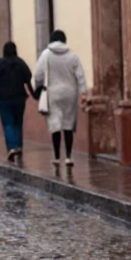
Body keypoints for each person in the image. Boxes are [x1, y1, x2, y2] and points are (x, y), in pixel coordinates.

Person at [33, 29, 87, 170]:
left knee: (55, 125)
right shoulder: (72, 55)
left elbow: (38, 74)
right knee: (68, 125)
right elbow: (80, 75)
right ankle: (68, 156)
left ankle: (57, 157)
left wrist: (36, 86)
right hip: (70, 93)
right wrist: (83, 93)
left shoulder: (46, 54)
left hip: (53, 93)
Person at [0, 42, 35, 163]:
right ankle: (18, 146)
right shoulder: (20, 63)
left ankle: (12, 147)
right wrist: (34, 93)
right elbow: (28, 77)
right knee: (18, 122)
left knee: (8, 123)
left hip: (3, 98)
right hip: (19, 97)